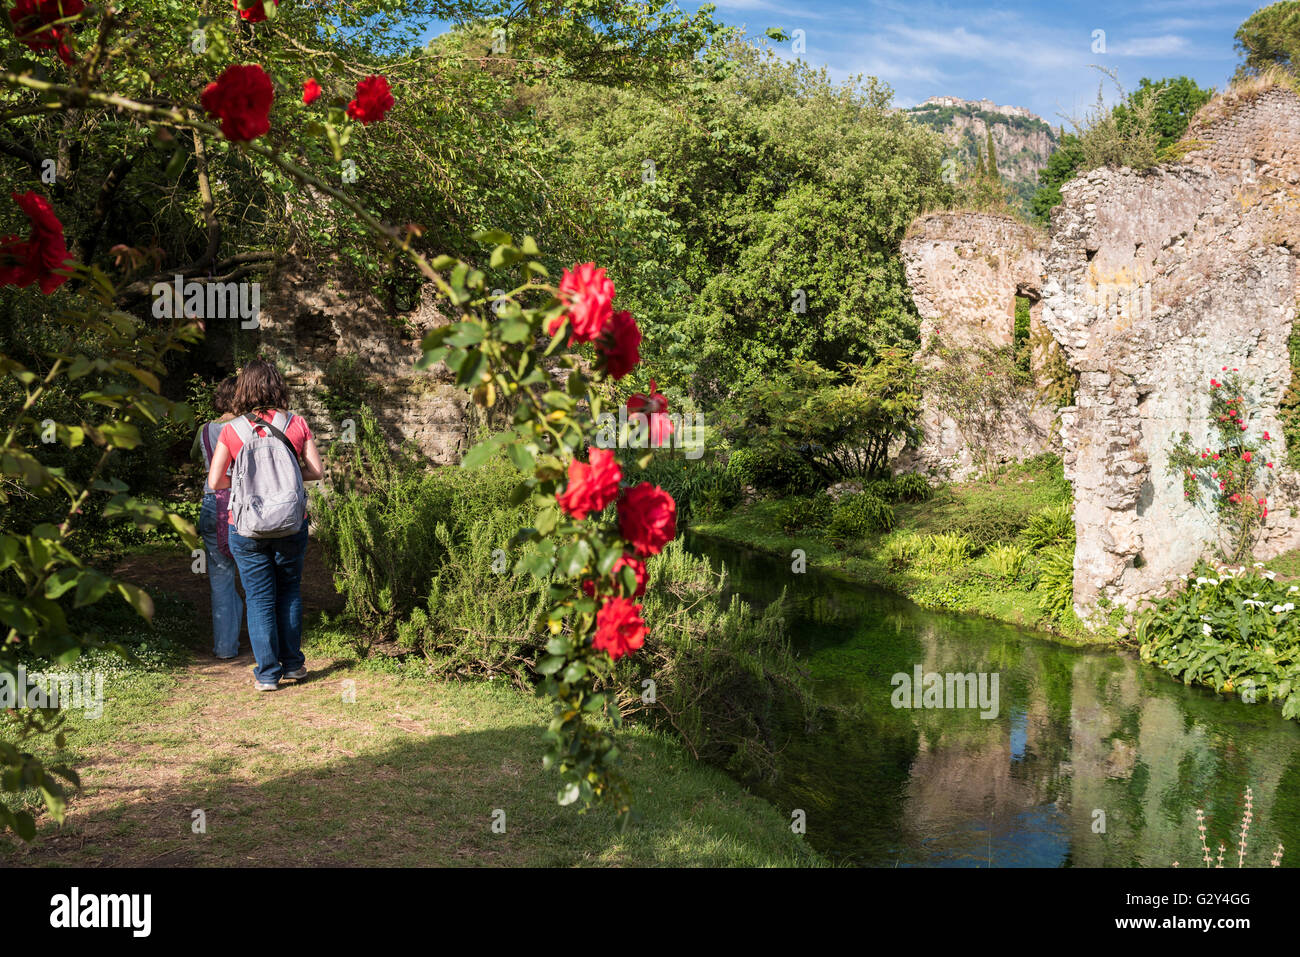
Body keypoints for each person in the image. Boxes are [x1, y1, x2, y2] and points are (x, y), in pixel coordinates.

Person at [206, 359, 324, 691]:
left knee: (259, 598)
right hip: (290, 522)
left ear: (243, 390)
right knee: (289, 590)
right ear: (278, 386)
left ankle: (268, 675)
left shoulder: (232, 429)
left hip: (246, 525)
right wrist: (284, 482)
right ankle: (294, 666)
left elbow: (216, 481)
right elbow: (316, 472)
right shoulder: (296, 423)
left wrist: (247, 483)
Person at [192, 376, 244, 659]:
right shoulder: (246, 428)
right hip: (241, 505)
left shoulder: (204, 430)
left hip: (211, 502)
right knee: (255, 576)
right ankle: (269, 646)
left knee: (221, 579)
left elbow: (195, 456)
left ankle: (225, 647)